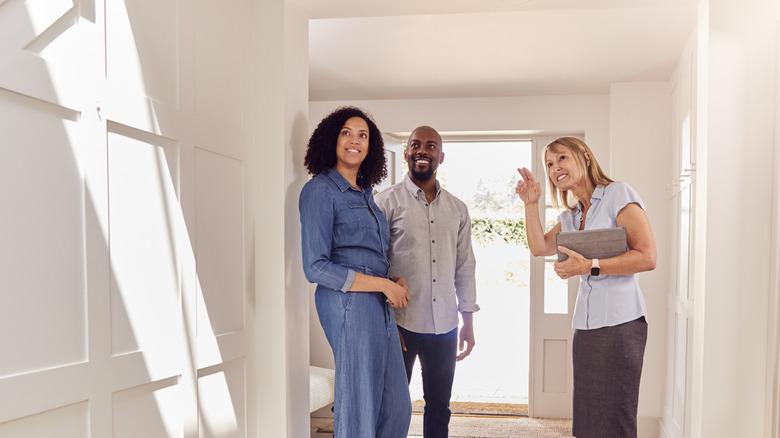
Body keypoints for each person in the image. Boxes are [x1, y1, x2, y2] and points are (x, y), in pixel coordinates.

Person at [515, 136, 656, 438]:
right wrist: (530, 203)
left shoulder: (618, 194)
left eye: (562, 158)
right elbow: (540, 247)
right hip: (587, 328)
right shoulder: (571, 216)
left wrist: (589, 266)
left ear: (586, 158)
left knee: (615, 419)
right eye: (549, 164)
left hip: (621, 324)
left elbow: (647, 256)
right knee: (588, 421)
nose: (555, 168)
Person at [299, 106, 412, 438]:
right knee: (359, 403)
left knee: (397, 406)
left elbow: (369, 254)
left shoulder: (367, 195)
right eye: (347, 132)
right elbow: (315, 266)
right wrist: (381, 285)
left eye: (363, 135)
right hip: (347, 302)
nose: (355, 141)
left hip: (378, 299)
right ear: (331, 139)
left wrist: (392, 282)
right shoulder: (320, 190)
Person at [375, 125, 479, 438]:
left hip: (445, 326)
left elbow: (465, 266)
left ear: (441, 156)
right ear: (406, 152)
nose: (423, 150)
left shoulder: (458, 209)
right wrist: (387, 323)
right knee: (393, 405)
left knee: (439, 406)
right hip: (400, 325)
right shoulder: (386, 203)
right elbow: (375, 266)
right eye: (416, 145)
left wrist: (468, 321)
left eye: (431, 146)